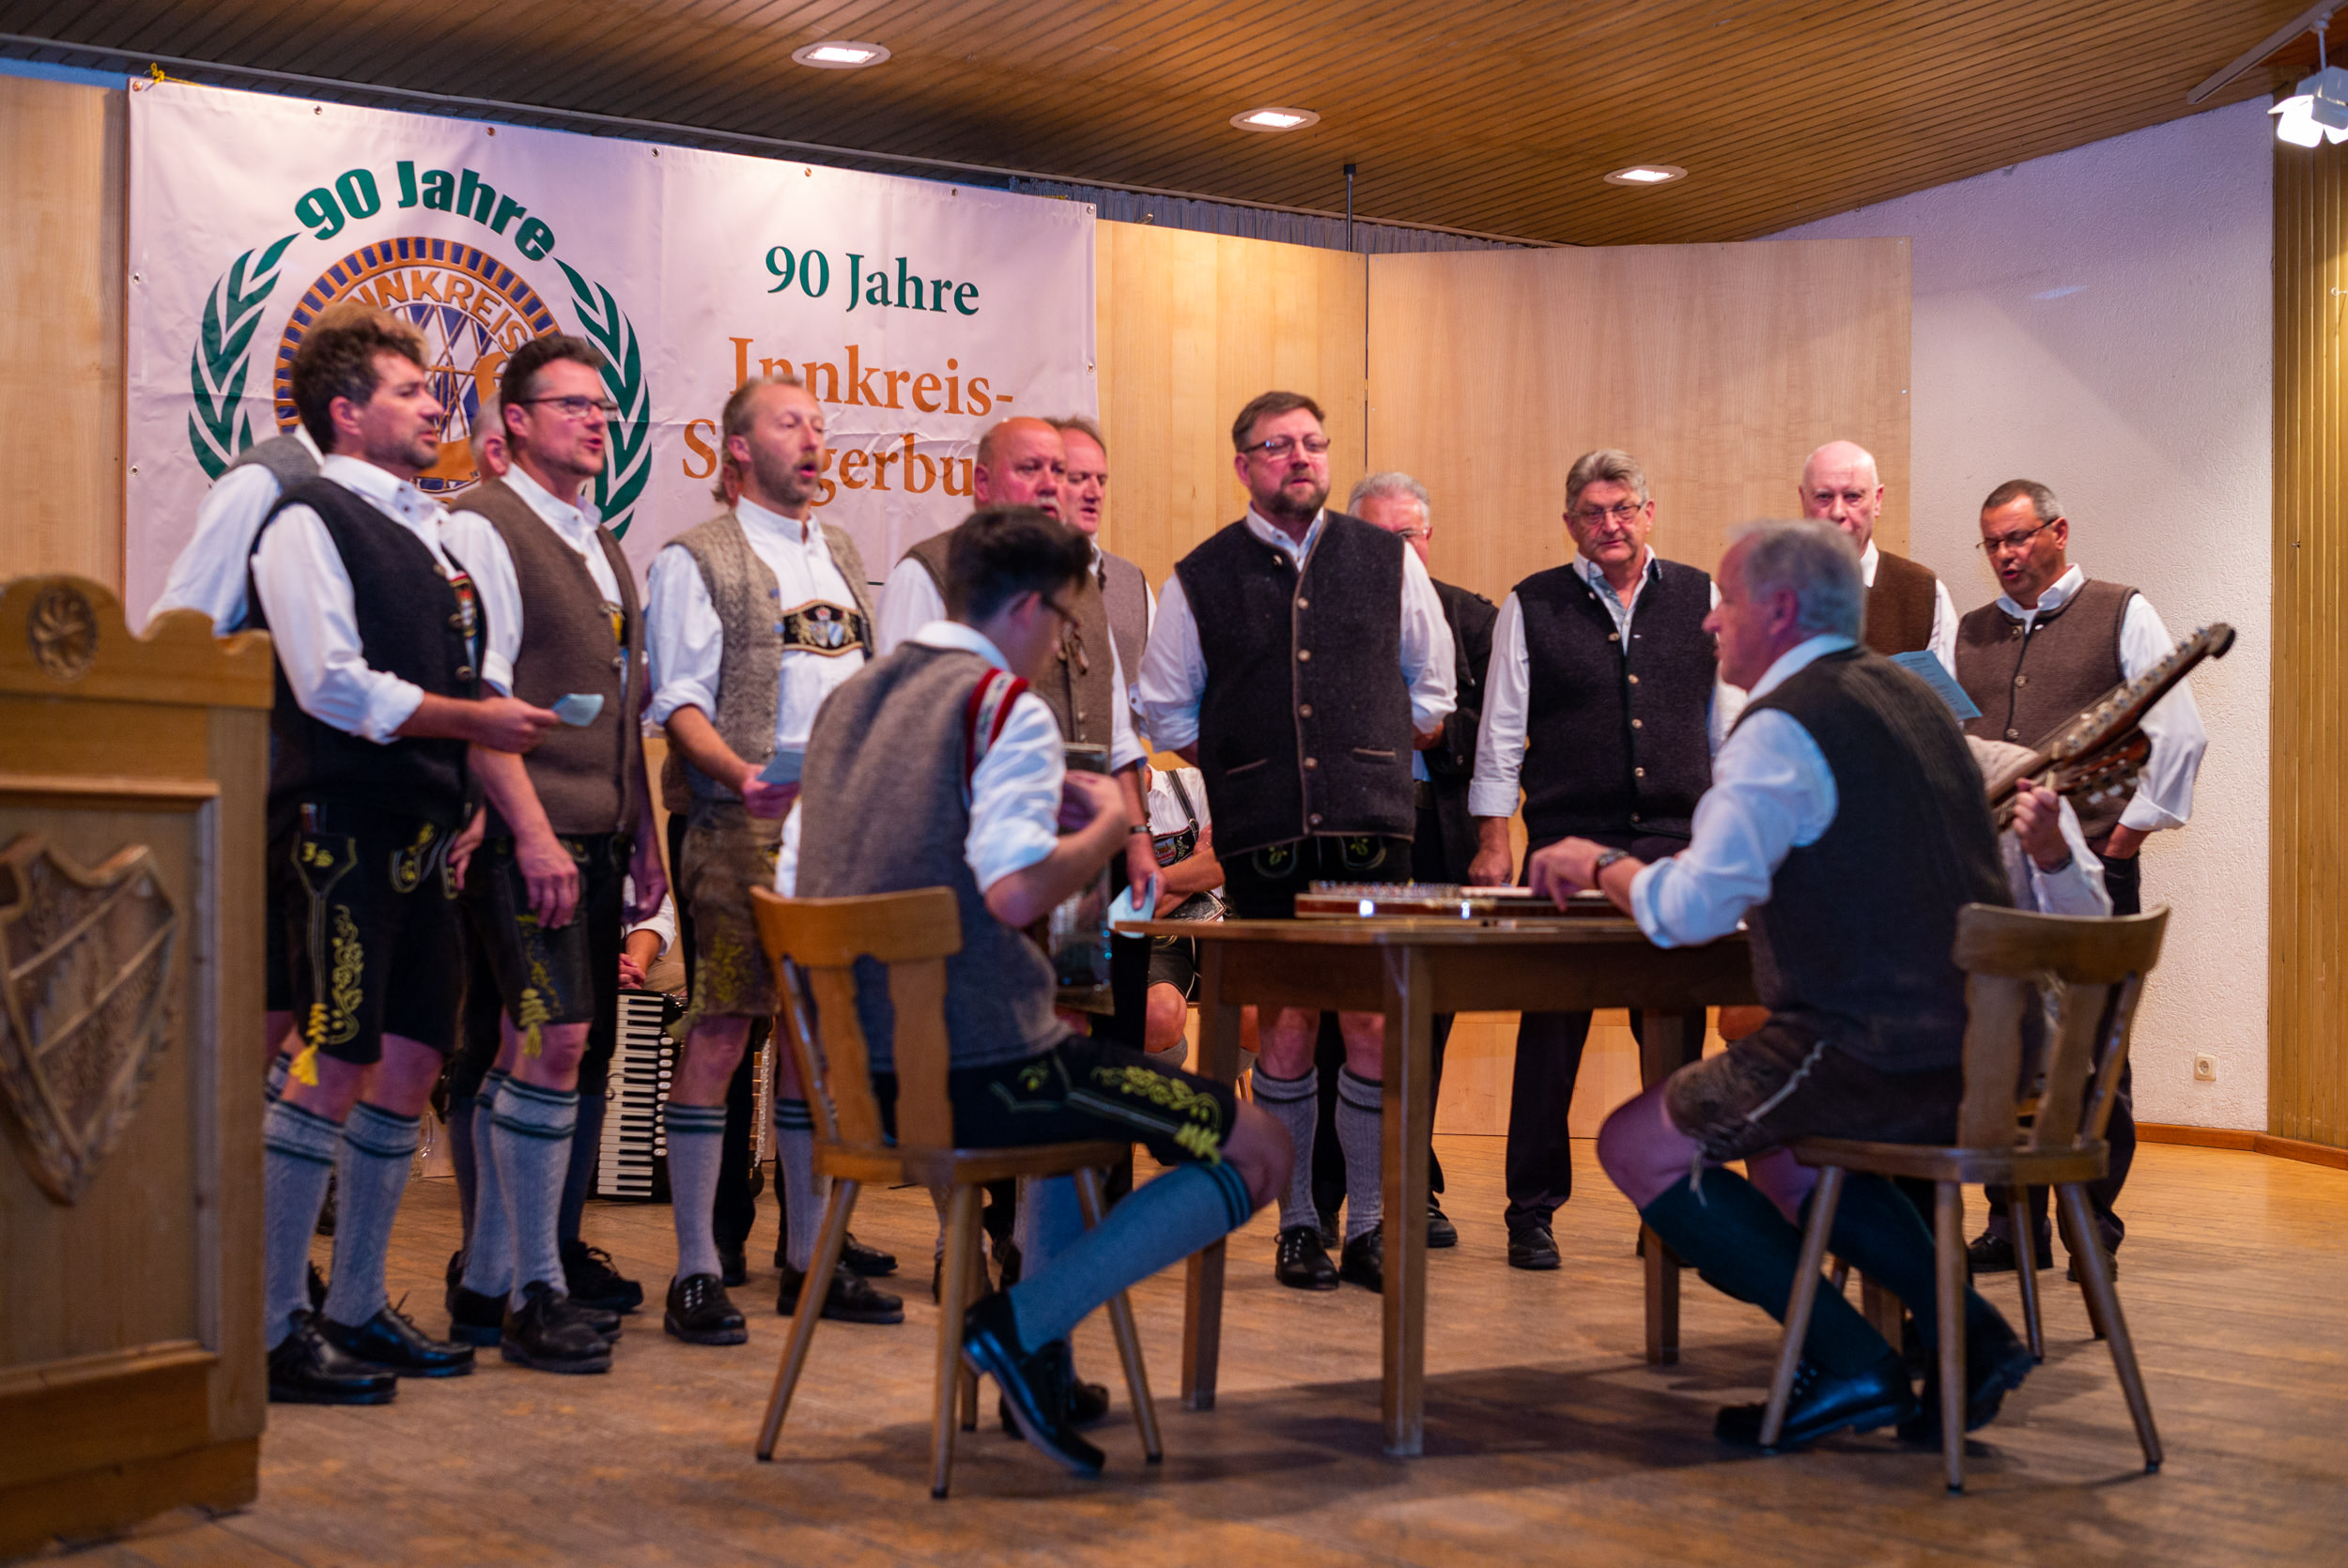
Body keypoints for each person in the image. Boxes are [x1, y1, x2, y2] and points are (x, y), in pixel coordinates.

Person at [779, 505, 1291, 1477]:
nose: (1063, 646)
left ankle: (1039, 1351)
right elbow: (1013, 892)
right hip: (982, 1075)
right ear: (1027, 609)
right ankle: (1020, 1325)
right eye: (1064, 622)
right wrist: (1104, 830)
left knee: (1073, 1113)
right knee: (1258, 1147)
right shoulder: (1002, 709)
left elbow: (802, 878)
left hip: (863, 1081)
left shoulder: (850, 701)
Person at [1556, 518, 2031, 1451]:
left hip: (1870, 1048)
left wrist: (1600, 862)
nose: (1709, 621)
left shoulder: (1780, 727)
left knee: (1634, 1143)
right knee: (1781, 1155)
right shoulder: (1914, 699)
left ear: (1777, 610)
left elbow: (1689, 913)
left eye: (1725, 601)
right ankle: (1972, 1333)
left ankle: (1849, 1360)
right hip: (1984, 1045)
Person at [250, 305, 558, 1403]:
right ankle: (273, 1322)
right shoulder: (306, 518)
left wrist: (473, 783)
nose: (438, 405)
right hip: (341, 826)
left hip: (426, 834)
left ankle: (354, 1304)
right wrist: (472, 724)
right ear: (346, 410)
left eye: (433, 389)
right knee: (332, 1060)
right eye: (411, 390)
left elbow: (456, 678)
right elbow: (331, 683)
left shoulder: (430, 528)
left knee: (413, 1063)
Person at [1137, 391, 1455, 1293]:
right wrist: (1252, 769)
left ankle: (1373, 1225)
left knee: (1372, 1022)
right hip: (1265, 835)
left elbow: (1432, 692)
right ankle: (1299, 1226)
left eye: (1313, 442)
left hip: (1372, 832)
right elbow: (1166, 708)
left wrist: (1362, 753)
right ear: (1244, 465)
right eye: (1278, 446)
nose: (1301, 457)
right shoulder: (1201, 575)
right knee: (1284, 1026)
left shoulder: (1387, 559)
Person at [643, 374, 900, 1341]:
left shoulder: (839, 552)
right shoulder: (696, 556)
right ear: (738, 449)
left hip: (834, 829)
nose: (814, 438)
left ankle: (808, 1261)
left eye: (820, 424)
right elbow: (678, 702)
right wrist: (740, 774)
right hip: (736, 822)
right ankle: (696, 1269)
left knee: (813, 1042)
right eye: (791, 423)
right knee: (721, 1031)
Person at [434, 333, 669, 1372]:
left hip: (599, 832)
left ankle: (491, 1287)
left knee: (553, 1053)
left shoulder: (599, 540)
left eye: (603, 408)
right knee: (547, 1045)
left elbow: (622, 710)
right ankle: (530, 1289)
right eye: (572, 405)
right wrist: (529, 833)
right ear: (515, 423)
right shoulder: (483, 526)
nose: (595, 422)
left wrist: (645, 830)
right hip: (528, 836)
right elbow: (478, 699)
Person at [1467, 450, 1731, 1271]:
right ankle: (1530, 1211)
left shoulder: (1703, 597)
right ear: (1569, 523)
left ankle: (1673, 1208)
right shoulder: (1531, 603)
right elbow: (1500, 732)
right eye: (1591, 511)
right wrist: (1494, 839)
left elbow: (1726, 725)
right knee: (1551, 1028)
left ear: (1649, 513)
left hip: (1678, 843)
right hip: (1565, 847)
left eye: (1623, 508)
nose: (1609, 524)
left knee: (1673, 1031)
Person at [1954, 478, 2208, 1279]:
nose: (2005, 555)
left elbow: (2180, 732)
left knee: (2095, 1054)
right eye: (1993, 543)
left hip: (2090, 870)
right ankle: (2012, 1226)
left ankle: (2092, 1224)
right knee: (2009, 1045)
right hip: (1999, 880)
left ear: (2058, 531)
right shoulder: (1970, 630)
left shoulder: (2121, 610)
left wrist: (2124, 839)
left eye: (2018, 537)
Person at [1309, 471, 1494, 1250]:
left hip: (1436, 833)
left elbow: (1500, 730)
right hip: (1344, 838)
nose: (1395, 551)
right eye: (1376, 537)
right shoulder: (1316, 615)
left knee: (1425, 1023)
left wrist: (1437, 731)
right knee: (1337, 1018)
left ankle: (1408, 1185)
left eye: (1407, 535)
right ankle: (1323, 1194)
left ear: (1429, 536)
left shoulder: (1473, 618)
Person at [1798, 440, 1957, 670]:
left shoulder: (1925, 594)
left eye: (1852, 496)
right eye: (1823, 496)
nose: (1837, 512)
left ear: (1877, 501)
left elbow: (1945, 692)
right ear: (1803, 500)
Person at [1051, 415, 1154, 738]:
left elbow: (1159, 705)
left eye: (1102, 479)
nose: (1095, 492)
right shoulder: (1004, 579)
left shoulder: (1131, 582)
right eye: (1079, 478)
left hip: (1115, 767)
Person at [1137, 760, 1224, 1062]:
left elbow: (1219, 866)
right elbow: (1129, 909)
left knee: (1257, 1010)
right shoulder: (1099, 806)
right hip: (1151, 938)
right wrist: (1195, 866)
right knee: (1157, 1016)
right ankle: (1175, 1082)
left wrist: (1152, 886)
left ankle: (1216, 1088)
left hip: (1215, 926)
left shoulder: (1194, 783)